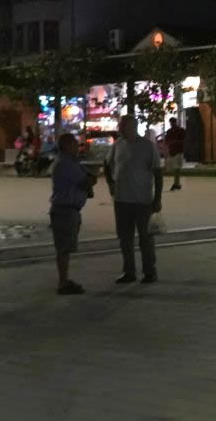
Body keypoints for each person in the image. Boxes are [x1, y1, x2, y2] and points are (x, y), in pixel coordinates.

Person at [104, 114, 163, 284]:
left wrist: (157, 198)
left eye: (122, 126)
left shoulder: (147, 146)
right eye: (120, 126)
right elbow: (107, 164)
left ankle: (149, 271)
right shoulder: (118, 145)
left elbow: (158, 172)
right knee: (125, 238)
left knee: (145, 238)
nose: (119, 129)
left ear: (132, 127)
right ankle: (129, 271)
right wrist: (110, 183)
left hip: (142, 200)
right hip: (121, 200)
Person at [49, 133, 94, 295]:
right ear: (67, 146)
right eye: (74, 144)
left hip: (67, 209)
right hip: (66, 209)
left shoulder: (68, 162)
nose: (77, 146)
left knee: (65, 247)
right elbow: (85, 181)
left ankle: (64, 280)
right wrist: (90, 181)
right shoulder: (66, 163)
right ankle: (63, 282)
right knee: (64, 248)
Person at [163, 117, 186, 191]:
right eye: (171, 123)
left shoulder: (181, 130)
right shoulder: (169, 131)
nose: (172, 124)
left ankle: (176, 183)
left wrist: (174, 142)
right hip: (172, 151)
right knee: (175, 168)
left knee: (177, 168)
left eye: (173, 122)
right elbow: (166, 140)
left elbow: (184, 140)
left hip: (178, 151)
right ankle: (177, 183)